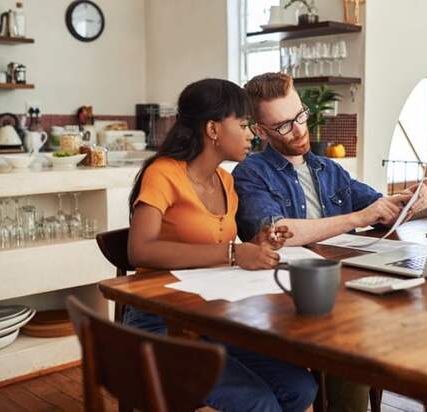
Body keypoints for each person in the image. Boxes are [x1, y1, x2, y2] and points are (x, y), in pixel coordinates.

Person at [233, 73, 427, 412]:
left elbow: (380, 209)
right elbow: (275, 232)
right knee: (354, 340)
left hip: (341, 287)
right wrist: (357, 218)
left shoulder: (329, 169)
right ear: (260, 131)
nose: (298, 130)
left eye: (300, 116)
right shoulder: (251, 173)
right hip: (288, 296)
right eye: (283, 126)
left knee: (393, 315)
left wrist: (413, 201)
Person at [126, 78, 317, 412]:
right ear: (213, 129)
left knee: (300, 388)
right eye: (243, 125)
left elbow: (223, 241)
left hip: (210, 319)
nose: (251, 134)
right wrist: (232, 254)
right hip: (160, 323)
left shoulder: (227, 181)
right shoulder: (163, 173)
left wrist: (260, 242)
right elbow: (139, 250)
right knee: (259, 403)